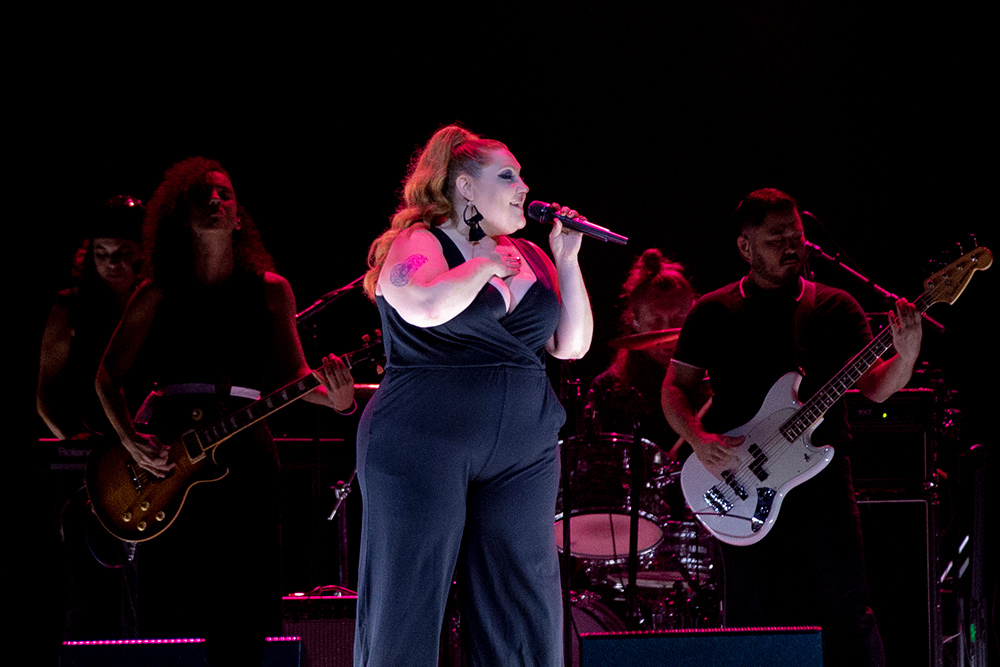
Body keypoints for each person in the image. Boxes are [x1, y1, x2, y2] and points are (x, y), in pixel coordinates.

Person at [95, 157, 355, 665]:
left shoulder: (271, 289)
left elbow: (295, 378)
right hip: (169, 459)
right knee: (171, 605)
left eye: (225, 194)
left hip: (248, 459)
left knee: (247, 606)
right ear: (180, 213)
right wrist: (131, 441)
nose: (215, 200)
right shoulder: (157, 291)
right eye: (202, 195)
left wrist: (339, 400)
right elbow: (106, 376)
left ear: (239, 216)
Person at [356, 125, 593, 666]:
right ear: (464, 186)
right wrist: (482, 265)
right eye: (507, 175)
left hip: (523, 448)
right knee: (408, 595)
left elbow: (572, 345)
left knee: (525, 596)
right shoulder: (420, 242)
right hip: (424, 438)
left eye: (521, 175)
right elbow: (424, 306)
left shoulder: (530, 254)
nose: (524, 187)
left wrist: (567, 258)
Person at [661, 188, 923, 666]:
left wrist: (904, 356)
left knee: (848, 604)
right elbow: (675, 388)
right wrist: (700, 440)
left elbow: (877, 388)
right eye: (776, 238)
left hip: (821, 477)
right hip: (738, 478)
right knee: (750, 614)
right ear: (745, 248)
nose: (791, 247)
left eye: (796, 236)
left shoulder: (835, 307)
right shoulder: (713, 311)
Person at [38, 195, 144, 441]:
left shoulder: (157, 303)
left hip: (149, 441)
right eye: (101, 253)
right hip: (87, 443)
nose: (112, 262)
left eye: (123, 252)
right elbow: (46, 395)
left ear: (142, 254)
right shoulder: (70, 306)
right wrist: (71, 440)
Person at [587, 248, 698, 447]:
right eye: (656, 320)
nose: (667, 332)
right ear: (636, 322)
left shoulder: (716, 379)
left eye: (677, 319)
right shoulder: (608, 390)